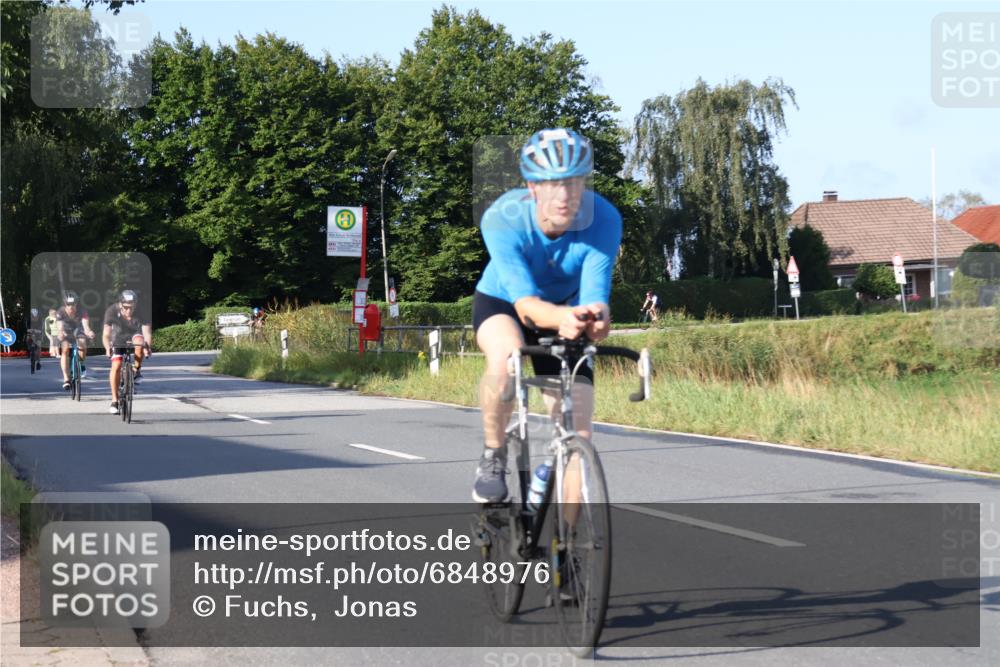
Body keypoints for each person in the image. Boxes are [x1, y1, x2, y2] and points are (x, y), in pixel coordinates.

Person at [471, 128, 622, 503]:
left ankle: (570, 553)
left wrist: (597, 319)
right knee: (507, 359)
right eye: (552, 183)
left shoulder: (603, 218)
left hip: (569, 309)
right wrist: (567, 318)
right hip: (504, 303)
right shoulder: (503, 218)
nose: (565, 195)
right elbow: (526, 306)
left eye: (573, 183)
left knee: (577, 435)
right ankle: (493, 454)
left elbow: (596, 297)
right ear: (532, 186)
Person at [102, 290, 153, 415]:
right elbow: (106, 334)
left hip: (134, 334)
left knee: (140, 343)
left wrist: (148, 346)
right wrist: (107, 347)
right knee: (116, 365)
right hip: (118, 336)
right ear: (120, 304)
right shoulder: (112, 311)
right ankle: (114, 400)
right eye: (126, 308)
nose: (129, 311)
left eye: (132, 307)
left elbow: (147, 333)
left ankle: (137, 370)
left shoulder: (142, 310)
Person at [55, 292, 96, 389]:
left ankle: (80, 363)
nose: (71, 307)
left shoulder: (82, 311)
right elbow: (60, 327)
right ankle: (66, 379)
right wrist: (61, 333)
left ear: (76, 304)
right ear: (65, 304)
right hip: (66, 332)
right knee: (65, 350)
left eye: (73, 304)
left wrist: (89, 332)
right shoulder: (60, 312)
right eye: (68, 305)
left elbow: (86, 326)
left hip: (78, 331)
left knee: (82, 343)